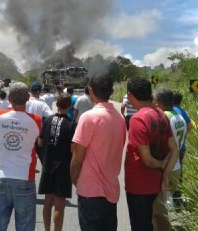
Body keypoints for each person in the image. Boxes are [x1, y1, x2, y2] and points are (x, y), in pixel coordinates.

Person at [71, 74, 127, 231]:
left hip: (90, 191)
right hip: (111, 190)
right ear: (111, 91)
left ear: (90, 90)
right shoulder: (120, 119)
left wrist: (76, 180)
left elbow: (77, 158)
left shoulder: (88, 117)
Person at [124, 77, 179, 231]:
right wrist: (166, 174)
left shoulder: (137, 119)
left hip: (139, 186)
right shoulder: (161, 114)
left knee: (140, 225)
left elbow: (147, 160)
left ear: (130, 96)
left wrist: (161, 164)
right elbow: (174, 149)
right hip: (157, 182)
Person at [0, 82, 42, 231]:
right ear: (27, 98)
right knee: (25, 226)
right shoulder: (36, 120)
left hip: (0, 177)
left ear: (9, 98)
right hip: (25, 179)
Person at [38, 93, 77, 231]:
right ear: (70, 106)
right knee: (59, 204)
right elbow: (73, 149)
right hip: (63, 167)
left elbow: (40, 142)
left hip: (48, 165)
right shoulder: (72, 124)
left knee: (48, 202)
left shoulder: (47, 120)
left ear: (57, 104)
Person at [152, 87, 187, 231]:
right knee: (164, 208)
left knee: (157, 212)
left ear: (158, 102)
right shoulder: (179, 116)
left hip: (166, 167)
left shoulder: (163, 117)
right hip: (176, 166)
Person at [172, 91, 193, 204]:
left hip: (171, 149)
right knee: (179, 171)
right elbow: (190, 126)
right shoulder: (183, 112)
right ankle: (177, 197)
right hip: (181, 147)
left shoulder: (170, 111)